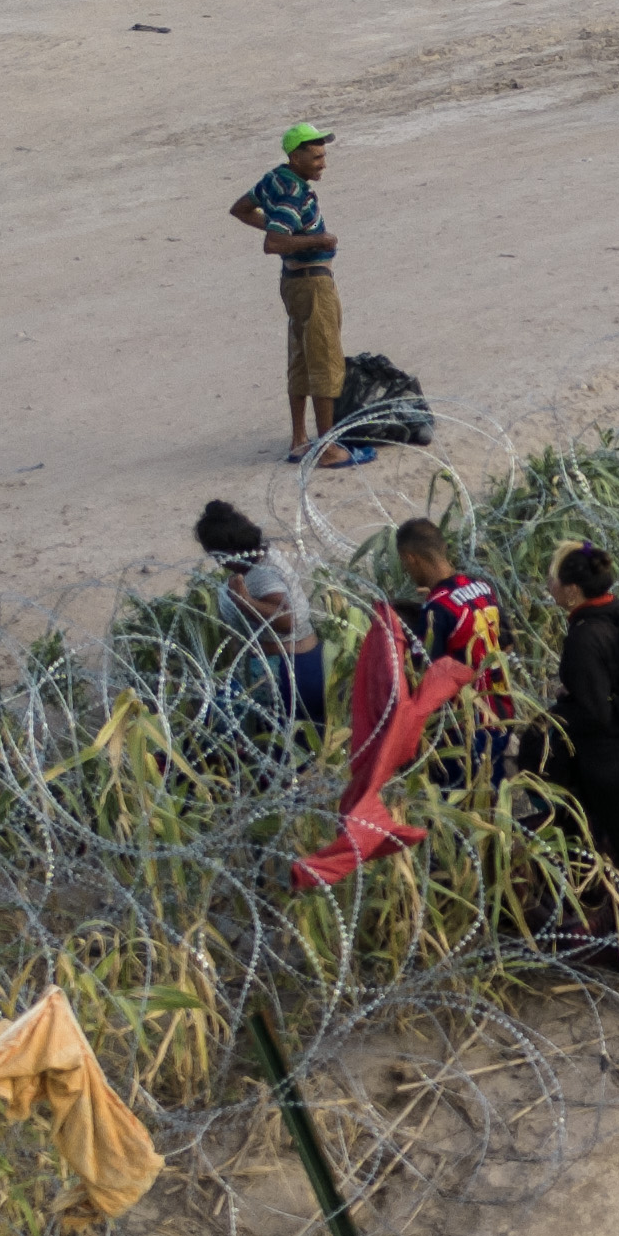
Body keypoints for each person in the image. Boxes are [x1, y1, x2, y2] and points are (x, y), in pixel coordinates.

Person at [229, 123, 372, 471]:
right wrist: (317, 240)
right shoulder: (297, 194)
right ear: (296, 157)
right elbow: (274, 243)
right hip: (313, 284)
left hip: (291, 282)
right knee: (324, 361)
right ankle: (328, 448)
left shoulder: (274, 179)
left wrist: (282, 227)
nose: (323, 163)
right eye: (317, 157)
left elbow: (241, 209)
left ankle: (299, 442)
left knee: (301, 360)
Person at [533, 541, 619, 894]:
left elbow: (596, 715)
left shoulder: (584, 636)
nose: (550, 587)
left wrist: (555, 718)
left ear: (573, 591)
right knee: (615, 825)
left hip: (612, 754)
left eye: (554, 581)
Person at [390, 518, 521, 787]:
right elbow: (506, 642)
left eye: (405, 564)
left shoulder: (437, 610)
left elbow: (425, 675)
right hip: (499, 709)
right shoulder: (481, 586)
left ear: (410, 558)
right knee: (493, 794)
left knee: (464, 800)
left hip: (465, 727)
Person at [195, 498, 323, 733]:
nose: (218, 563)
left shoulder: (263, 574)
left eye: (217, 556)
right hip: (294, 667)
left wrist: (245, 601)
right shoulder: (261, 561)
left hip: (287, 673)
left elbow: (287, 621)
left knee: (216, 726)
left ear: (226, 552)